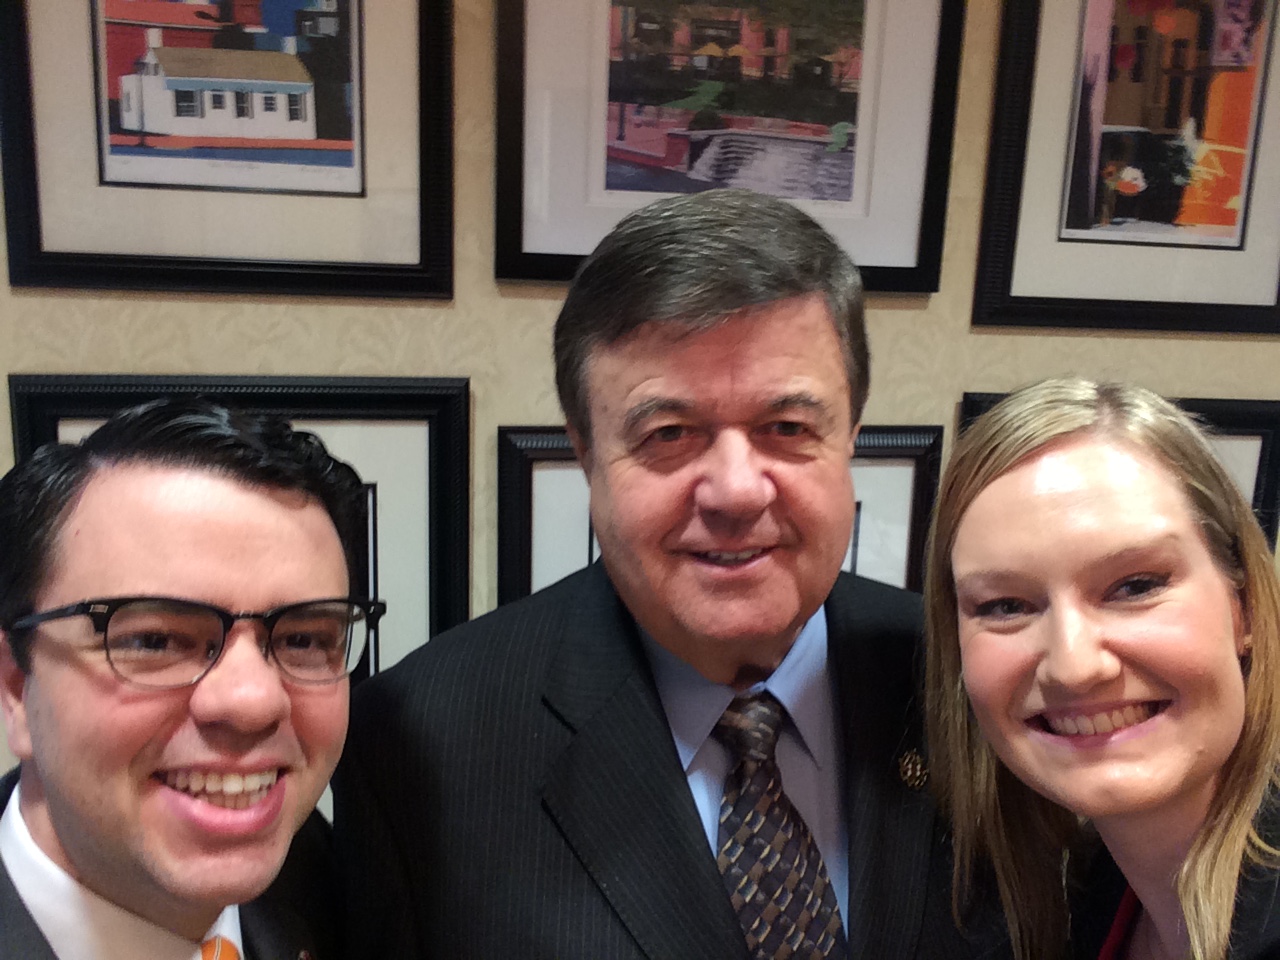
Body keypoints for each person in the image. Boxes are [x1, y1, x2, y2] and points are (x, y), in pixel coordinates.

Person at [334, 189, 1006, 959]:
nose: (735, 491)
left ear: (849, 435)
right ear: (585, 453)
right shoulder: (417, 743)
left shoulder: (973, 678)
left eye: (787, 428)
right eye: (669, 433)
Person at [0, 398, 385, 960]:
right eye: (154, 641)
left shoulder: (332, 883)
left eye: (303, 639)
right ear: (15, 686)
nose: (253, 700)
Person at [924, 378, 1280, 960]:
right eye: (1005, 606)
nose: (1073, 667)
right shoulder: (1092, 893)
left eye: (1135, 586)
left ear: (1244, 611)